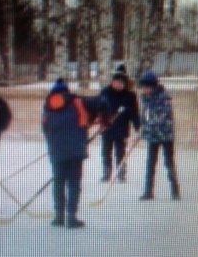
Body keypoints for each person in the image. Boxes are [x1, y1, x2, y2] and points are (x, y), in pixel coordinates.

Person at [42, 78, 106, 228]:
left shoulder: (48, 106)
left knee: (58, 182)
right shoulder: (78, 101)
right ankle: (71, 218)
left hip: (57, 151)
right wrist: (103, 120)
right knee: (73, 183)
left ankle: (59, 216)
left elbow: (45, 129)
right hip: (76, 150)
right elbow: (102, 101)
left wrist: (53, 145)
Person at [138, 71, 180, 200]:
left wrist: (147, 127)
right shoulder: (145, 98)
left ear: (153, 86)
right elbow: (144, 116)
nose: (144, 90)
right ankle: (148, 191)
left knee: (168, 162)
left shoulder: (164, 97)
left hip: (165, 134)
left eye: (146, 87)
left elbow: (159, 118)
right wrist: (141, 129)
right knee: (150, 163)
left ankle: (175, 189)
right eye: (143, 87)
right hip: (152, 135)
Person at [97, 72, 140, 182]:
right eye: (117, 82)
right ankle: (106, 173)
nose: (119, 85)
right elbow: (98, 109)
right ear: (112, 82)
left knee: (120, 152)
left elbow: (134, 113)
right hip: (107, 128)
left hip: (122, 128)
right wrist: (99, 121)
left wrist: (137, 127)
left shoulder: (130, 96)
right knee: (106, 152)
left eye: (121, 83)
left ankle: (121, 173)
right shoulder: (105, 93)